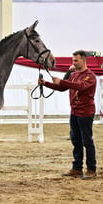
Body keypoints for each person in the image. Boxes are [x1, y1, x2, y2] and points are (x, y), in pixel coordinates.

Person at [38, 50, 97, 179]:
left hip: (85, 113)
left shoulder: (90, 76)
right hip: (75, 112)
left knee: (87, 141)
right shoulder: (74, 74)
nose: (73, 63)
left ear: (83, 60)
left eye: (76, 61)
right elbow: (62, 88)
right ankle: (77, 168)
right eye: (73, 61)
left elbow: (79, 86)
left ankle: (91, 169)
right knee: (76, 140)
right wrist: (46, 83)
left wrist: (62, 81)